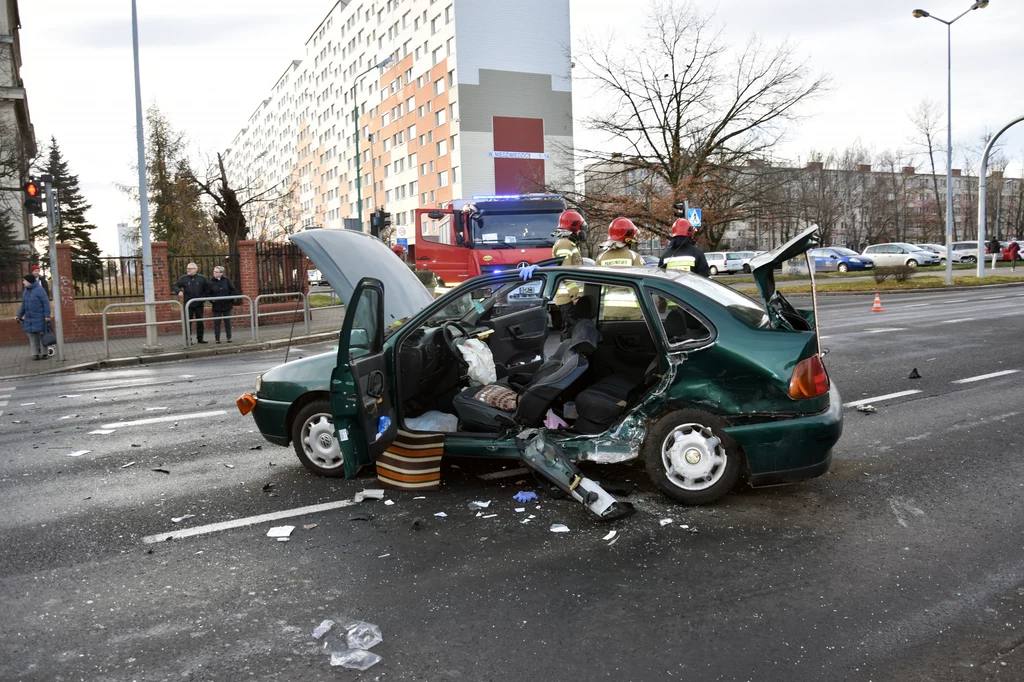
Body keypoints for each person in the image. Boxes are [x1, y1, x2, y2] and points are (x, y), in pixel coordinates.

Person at [551, 210, 586, 338]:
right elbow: (565, 272)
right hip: (569, 298)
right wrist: (575, 295)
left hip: (570, 297)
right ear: (573, 227)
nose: (581, 232)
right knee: (570, 332)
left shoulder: (568, 243)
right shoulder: (565, 244)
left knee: (571, 330)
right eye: (580, 228)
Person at [15, 274, 51, 361]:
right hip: (29, 318)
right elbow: (24, 305)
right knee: (32, 337)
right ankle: (35, 354)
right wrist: (18, 315)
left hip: (40, 317)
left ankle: (44, 353)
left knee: (42, 336)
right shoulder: (25, 292)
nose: (23, 282)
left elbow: (46, 303)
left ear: (29, 281)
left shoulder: (40, 290)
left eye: (24, 280)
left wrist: (47, 315)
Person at [173, 262, 209, 343]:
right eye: (187, 268)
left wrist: (203, 298)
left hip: (199, 303)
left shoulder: (202, 278)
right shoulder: (184, 278)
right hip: (188, 304)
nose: (188, 270)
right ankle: (188, 339)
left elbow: (207, 289)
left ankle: (200, 338)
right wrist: (179, 291)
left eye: (190, 268)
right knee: (187, 322)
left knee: (200, 321)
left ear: (195, 269)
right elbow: (175, 286)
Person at [206, 265, 235, 344]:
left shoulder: (226, 280)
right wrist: (213, 301)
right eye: (214, 271)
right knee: (217, 323)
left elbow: (232, 289)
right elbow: (208, 294)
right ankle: (217, 338)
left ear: (221, 273)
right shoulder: (211, 282)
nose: (214, 273)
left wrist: (230, 299)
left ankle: (229, 337)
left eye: (216, 272)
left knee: (227, 322)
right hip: (217, 306)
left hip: (227, 305)